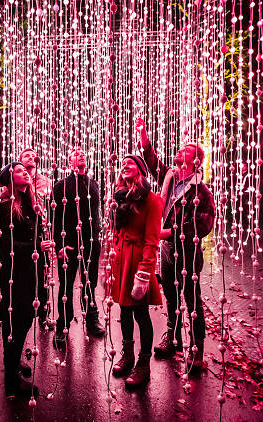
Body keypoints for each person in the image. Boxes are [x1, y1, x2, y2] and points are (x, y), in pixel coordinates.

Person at [137, 118, 216, 372]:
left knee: (192, 299)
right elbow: (152, 164)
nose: (180, 151)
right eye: (181, 149)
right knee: (171, 295)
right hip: (168, 251)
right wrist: (144, 137)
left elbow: (204, 225)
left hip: (188, 252)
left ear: (195, 161)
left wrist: (169, 232)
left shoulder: (201, 191)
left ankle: (197, 351)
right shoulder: (169, 177)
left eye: (187, 150)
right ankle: (173, 337)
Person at [0, 162, 55, 396]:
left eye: (26, 170)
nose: (26, 173)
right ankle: (12, 379)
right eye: (19, 171)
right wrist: (35, 246)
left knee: (24, 321)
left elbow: (35, 232)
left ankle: (14, 362)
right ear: (10, 179)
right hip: (15, 273)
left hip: (31, 269)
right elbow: (7, 243)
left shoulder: (29, 201)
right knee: (16, 323)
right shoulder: (6, 205)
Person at [108, 154, 163, 388]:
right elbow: (115, 229)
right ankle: (128, 354)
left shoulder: (152, 200)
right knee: (124, 311)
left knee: (141, 314)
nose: (125, 166)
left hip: (138, 261)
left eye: (131, 163)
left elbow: (152, 241)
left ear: (140, 170)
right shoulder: (118, 197)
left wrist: (144, 274)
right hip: (121, 259)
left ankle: (143, 364)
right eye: (123, 164)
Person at [52, 148, 105, 348]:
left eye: (82, 153)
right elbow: (55, 218)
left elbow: (96, 212)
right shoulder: (61, 186)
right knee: (65, 285)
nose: (80, 155)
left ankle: (91, 319)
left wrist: (97, 233)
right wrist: (60, 243)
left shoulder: (94, 184)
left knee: (90, 283)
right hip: (70, 244)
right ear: (69, 160)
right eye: (74, 153)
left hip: (91, 242)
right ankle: (62, 325)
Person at [18, 147, 53, 327]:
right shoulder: (15, 181)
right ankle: (24, 312)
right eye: (26, 155)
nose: (31, 157)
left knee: (43, 274)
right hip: (22, 233)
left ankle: (43, 314)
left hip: (41, 232)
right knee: (24, 274)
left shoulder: (45, 182)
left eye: (33, 155)